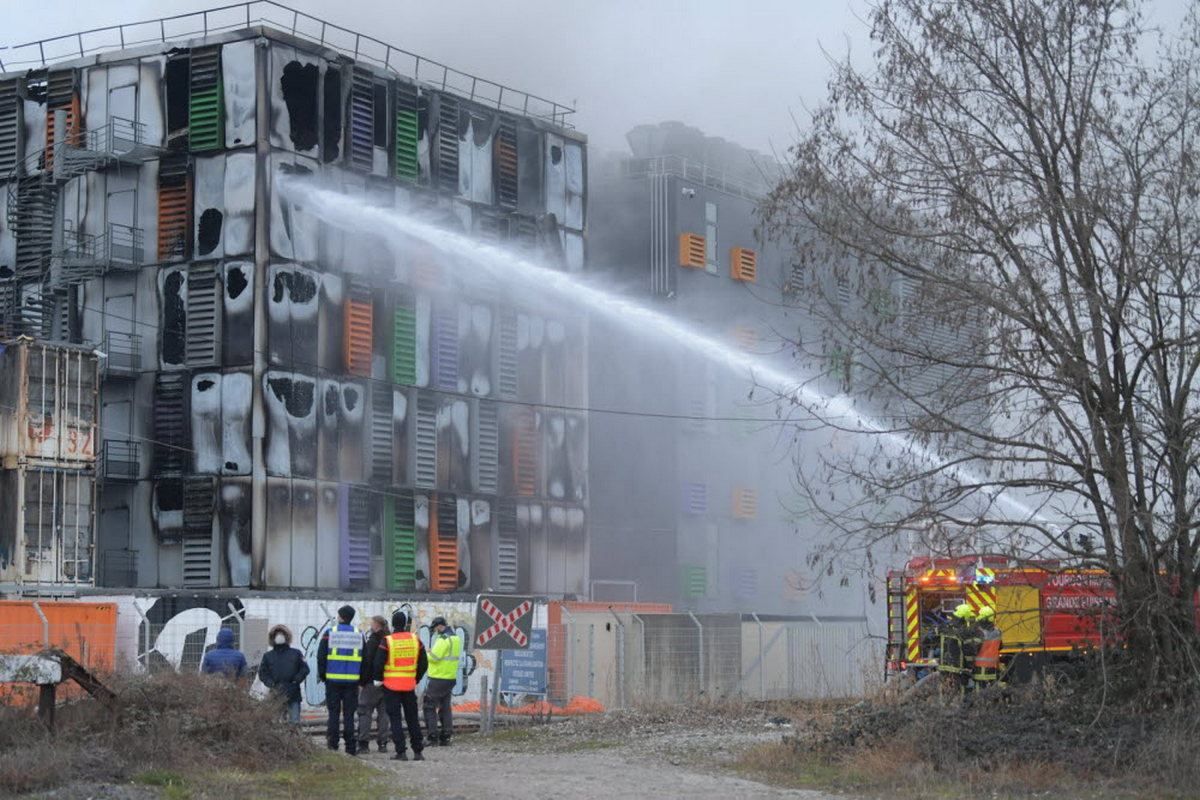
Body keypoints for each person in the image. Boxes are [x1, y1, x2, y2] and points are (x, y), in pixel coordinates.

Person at [374, 611, 426, 761]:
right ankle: (418, 752)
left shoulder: (387, 641)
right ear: (405, 623)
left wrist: (378, 679)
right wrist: (415, 678)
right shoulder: (415, 640)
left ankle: (401, 752)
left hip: (391, 686)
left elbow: (378, 663)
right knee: (412, 719)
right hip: (409, 686)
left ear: (392, 623)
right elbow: (424, 663)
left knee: (395, 719)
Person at [318, 605, 364, 755]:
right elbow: (365, 658)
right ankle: (351, 747)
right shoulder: (359, 634)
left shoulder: (330, 633)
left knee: (334, 713)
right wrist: (361, 679)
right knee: (349, 714)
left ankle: (333, 744)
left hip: (332, 680)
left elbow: (321, 656)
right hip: (352, 682)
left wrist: (323, 675)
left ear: (341, 617)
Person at [423, 616, 461, 747]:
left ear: (439, 626)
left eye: (434, 628)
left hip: (438, 677)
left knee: (429, 706)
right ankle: (446, 736)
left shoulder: (443, 639)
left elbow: (435, 658)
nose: (435, 631)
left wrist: (427, 653)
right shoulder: (455, 638)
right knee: (445, 707)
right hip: (450, 677)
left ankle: (432, 737)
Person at [259, 624, 309, 723]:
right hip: (276, 693)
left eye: (282, 634)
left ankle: (293, 738)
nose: (279, 636)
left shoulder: (296, 653)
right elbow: (263, 673)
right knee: (274, 722)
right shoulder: (268, 656)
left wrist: (296, 680)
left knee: (294, 722)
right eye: (277, 634)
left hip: (293, 692)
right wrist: (271, 683)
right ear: (272, 638)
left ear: (287, 636)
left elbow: (305, 669)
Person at [357, 615, 390, 753]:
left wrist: (362, 681)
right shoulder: (390, 640)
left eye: (372, 623)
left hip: (371, 683)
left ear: (377, 625)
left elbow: (367, 662)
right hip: (388, 682)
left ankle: (364, 744)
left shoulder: (373, 641)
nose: (370, 626)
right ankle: (383, 744)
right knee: (384, 714)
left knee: (365, 712)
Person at [972, 605, 1003, 685]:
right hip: (993, 668)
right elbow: (1000, 647)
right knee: (992, 691)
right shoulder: (997, 632)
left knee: (980, 691)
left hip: (980, 669)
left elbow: (974, 649)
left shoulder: (980, 632)